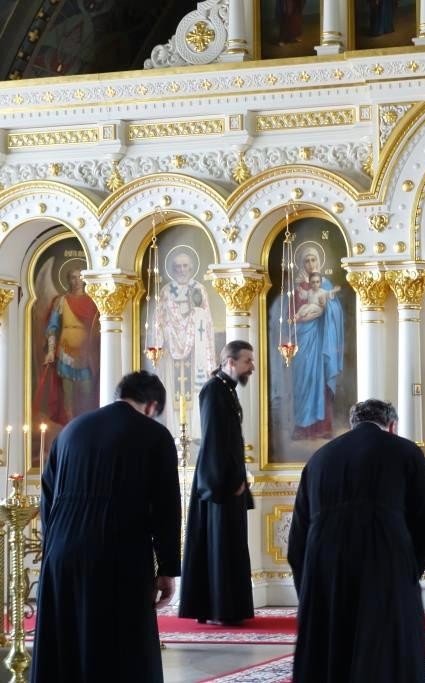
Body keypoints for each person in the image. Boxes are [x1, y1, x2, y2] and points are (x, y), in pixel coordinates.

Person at [32, 371, 181, 683]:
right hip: (117, 550)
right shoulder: (154, 435)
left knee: (66, 642)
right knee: (119, 647)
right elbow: (166, 505)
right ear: (152, 406)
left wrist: (53, 548)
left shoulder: (71, 430)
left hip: (61, 552)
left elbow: (48, 497)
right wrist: (167, 567)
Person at [288, 399, 425, 682]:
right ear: (392, 426)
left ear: (352, 424)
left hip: (325, 564)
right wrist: (407, 571)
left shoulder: (319, 458)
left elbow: (298, 536)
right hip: (385, 560)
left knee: (332, 650)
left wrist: (311, 588)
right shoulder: (406, 451)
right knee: (385, 653)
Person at [179, 340, 256, 626]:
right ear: (230, 362)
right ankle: (219, 609)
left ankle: (228, 608)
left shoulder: (226, 389)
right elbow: (213, 440)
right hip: (219, 483)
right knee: (219, 545)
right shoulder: (214, 390)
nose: (252, 366)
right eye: (248, 361)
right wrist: (227, 482)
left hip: (228, 479)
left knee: (229, 545)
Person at [153, 247, 218, 429]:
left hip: (195, 349)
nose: (182, 270)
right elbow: (158, 320)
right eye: (178, 266)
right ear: (173, 269)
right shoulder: (166, 292)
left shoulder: (199, 290)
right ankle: (173, 429)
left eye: (185, 266)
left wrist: (207, 351)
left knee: (195, 388)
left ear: (191, 268)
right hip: (170, 349)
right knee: (172, 388)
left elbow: (207, 320)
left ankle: (195, 430)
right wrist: (160, 343)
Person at [291, 249, 344, 440]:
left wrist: (325, 307)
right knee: (303, 379)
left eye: (313, 259)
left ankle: (323, 426)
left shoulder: (325, 284)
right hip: (302, 339)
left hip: (321, 340)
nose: (310, 263)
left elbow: (336, 310)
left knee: (319, 380)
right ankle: (302, 426)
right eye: (307, 260)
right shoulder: (298, 287)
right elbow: (291, 312)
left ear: (319, 261)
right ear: (302, 263)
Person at [42, 263, 100, 424]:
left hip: (86, 354)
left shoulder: (93, 301)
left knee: (87, 392)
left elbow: (98, 327)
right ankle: (69, 424)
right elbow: (52, 327)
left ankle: (86, 424)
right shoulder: (62, 301)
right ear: (68, 280)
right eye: (73, 277)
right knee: (67, 394)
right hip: (65, 352)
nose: (77, 281)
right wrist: (50, 351)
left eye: (80, 277)